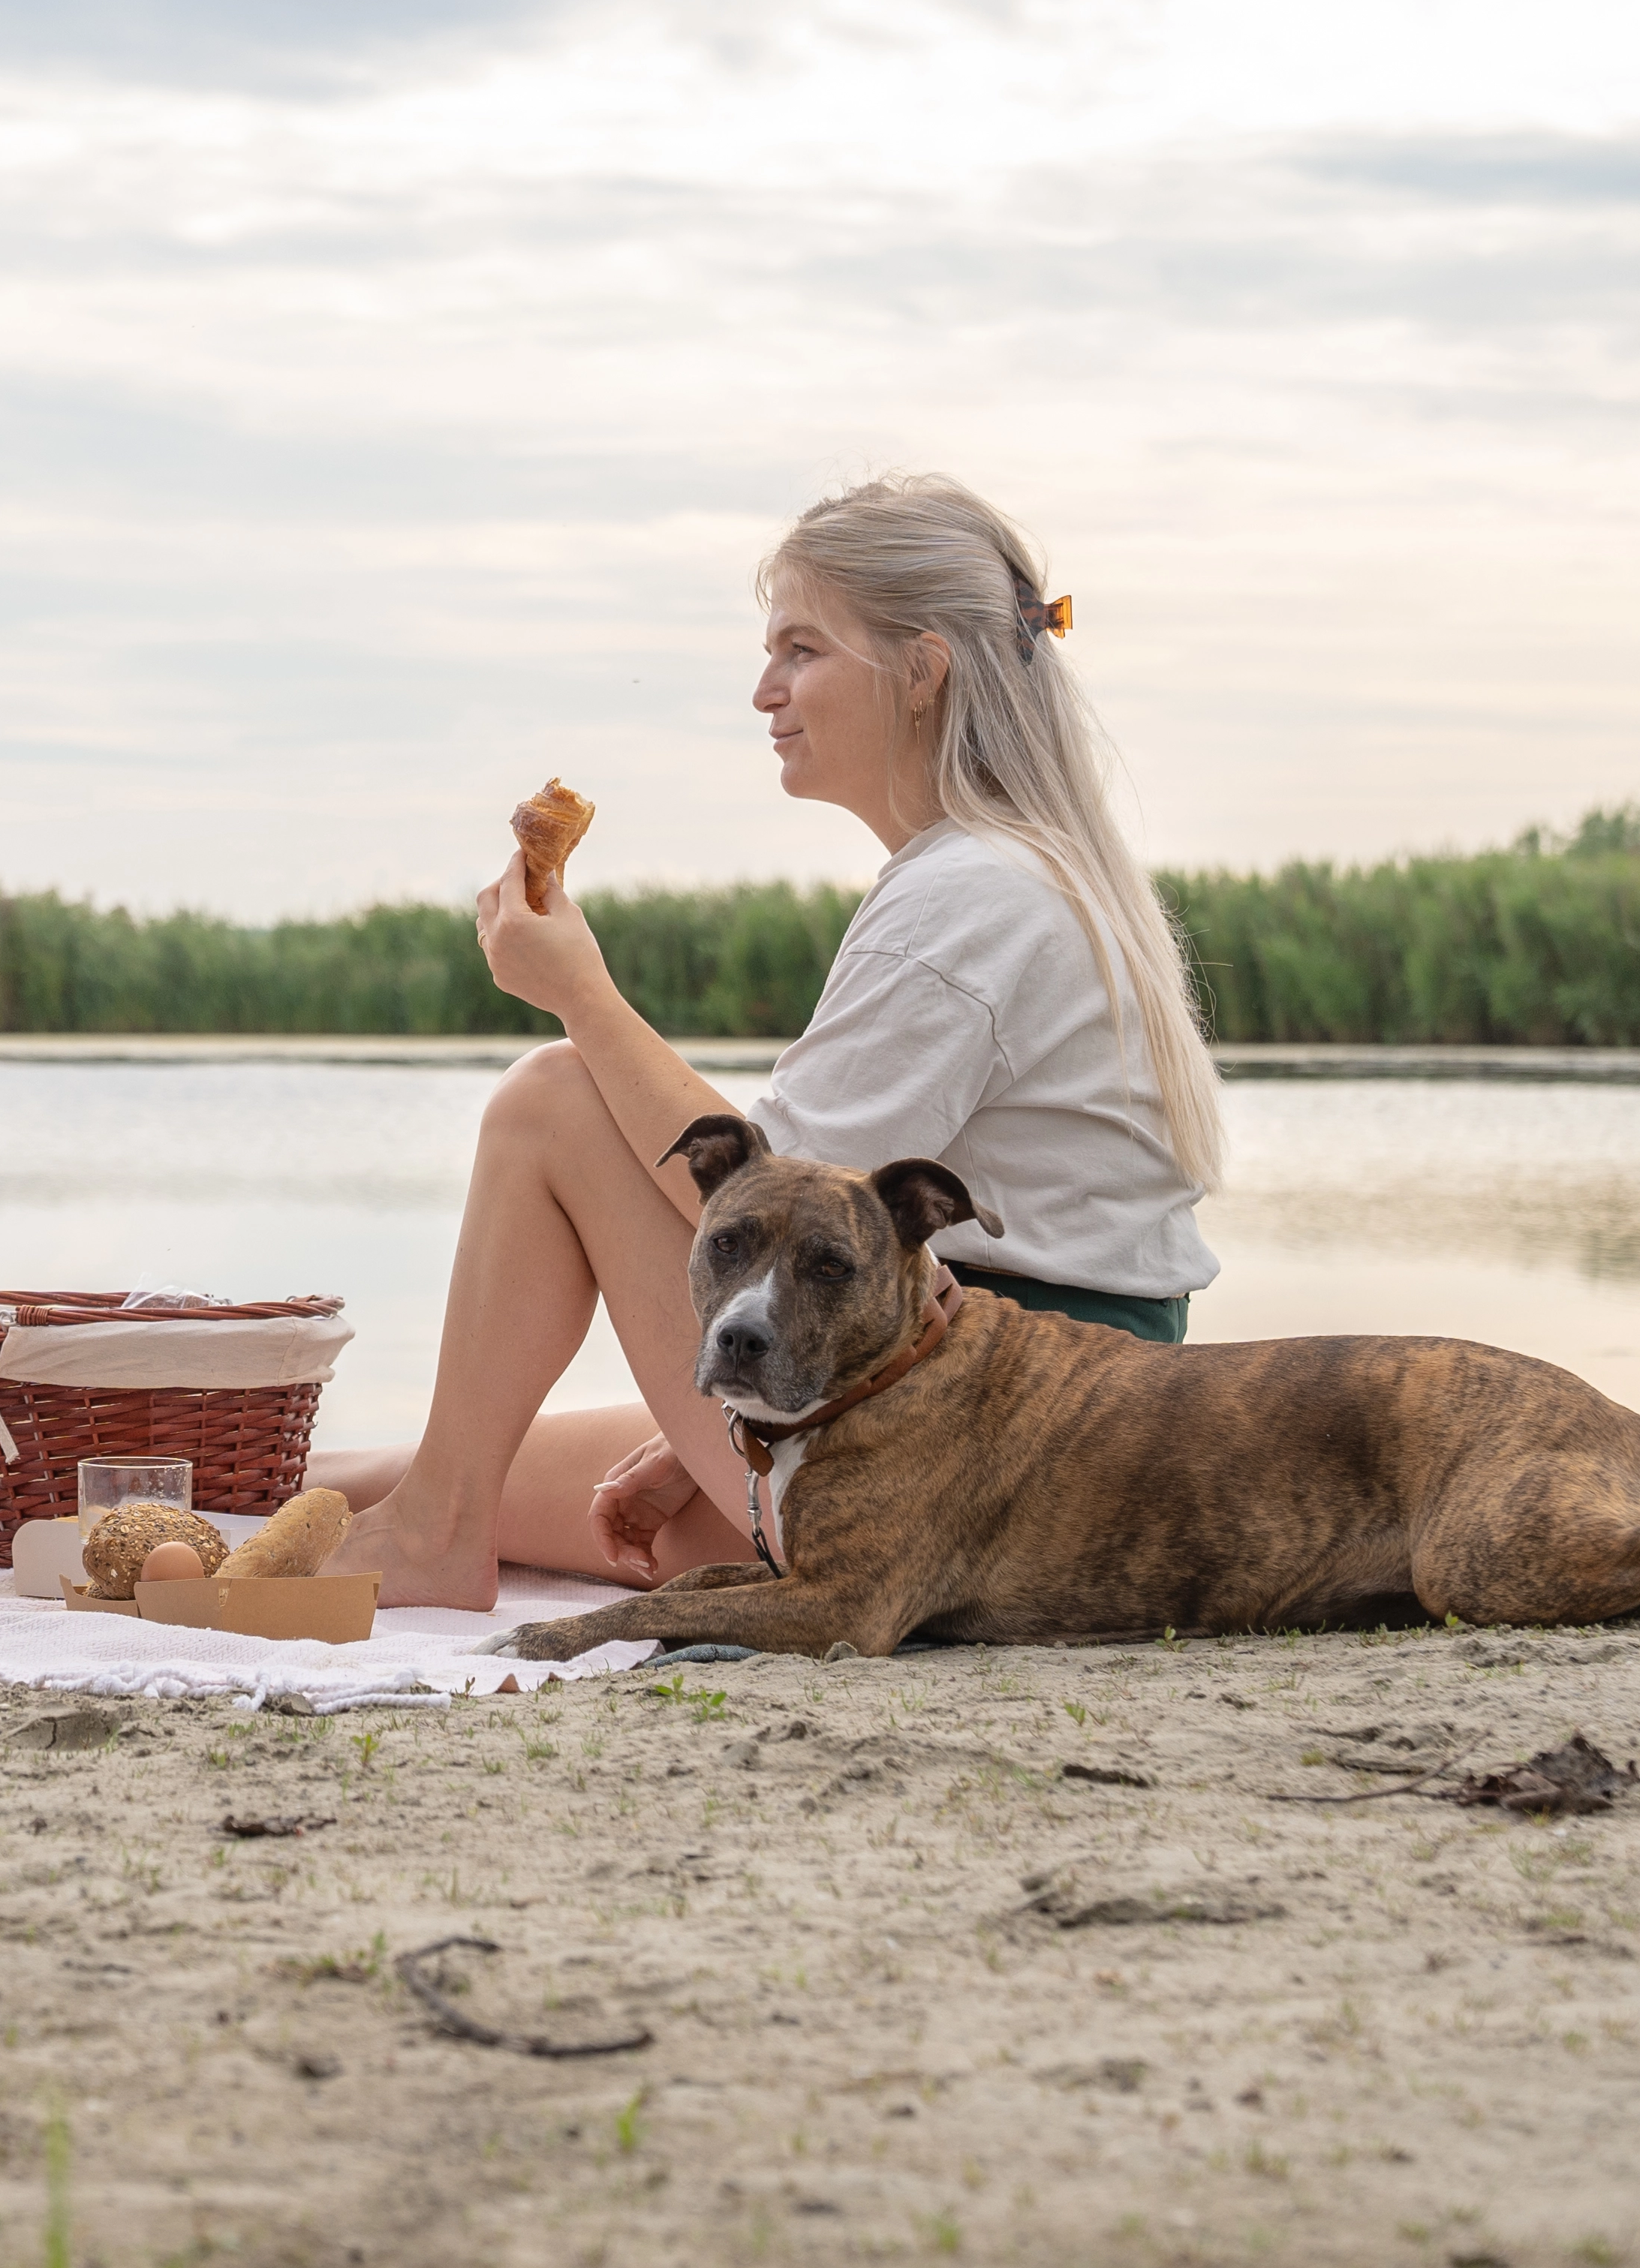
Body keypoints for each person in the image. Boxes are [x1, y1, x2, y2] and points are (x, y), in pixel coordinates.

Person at [323, 474, 1226, 1610]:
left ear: (922, 672)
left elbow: (778, 1202)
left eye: (801, 650)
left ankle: (433, 1536)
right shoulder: (1029, 870)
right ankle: (393, 1509)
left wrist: (582, 999)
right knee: (373, 1475)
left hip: (972, 1445)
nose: (764, 691)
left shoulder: (973, 894)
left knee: (556, 1098)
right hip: (1019, 1421)